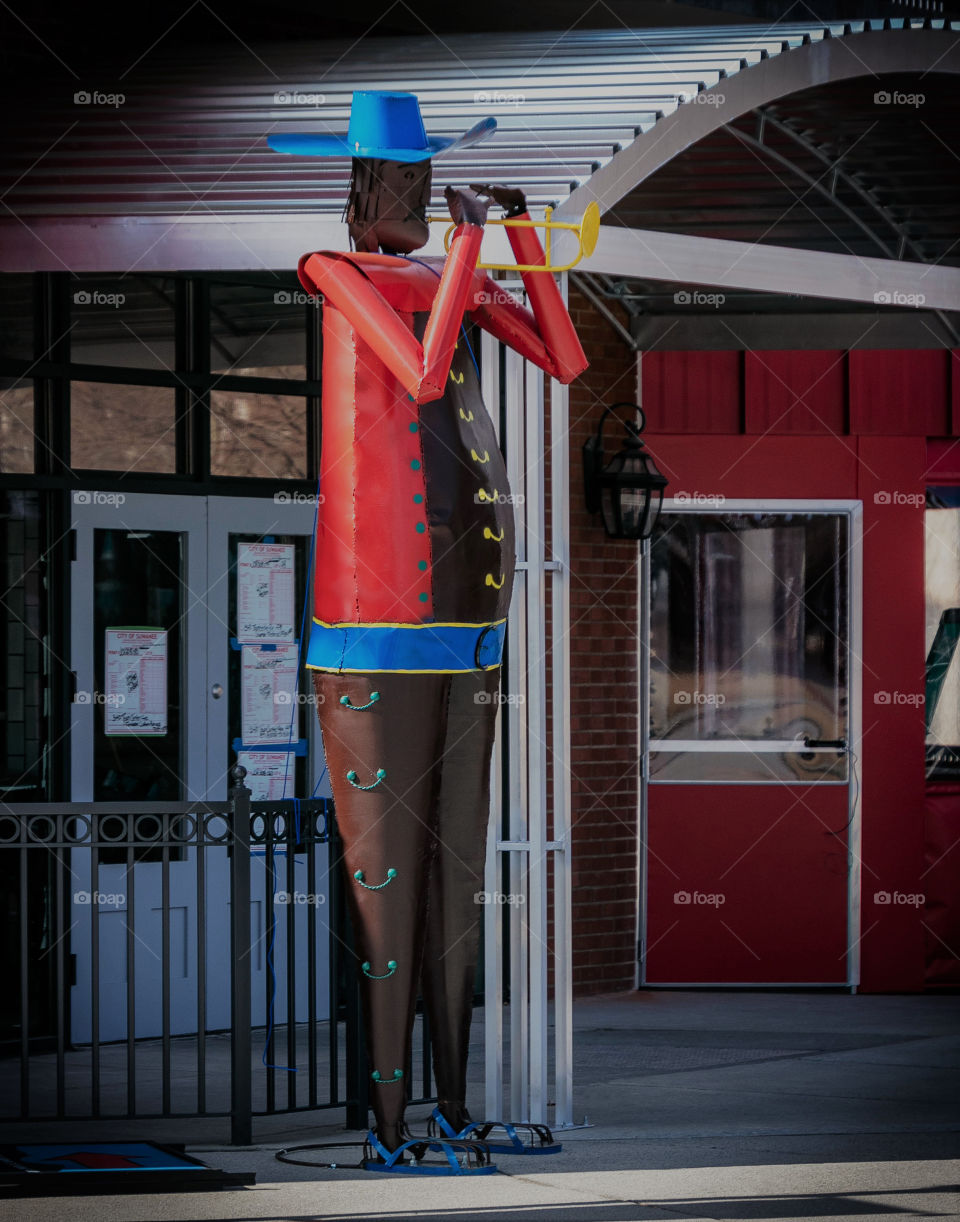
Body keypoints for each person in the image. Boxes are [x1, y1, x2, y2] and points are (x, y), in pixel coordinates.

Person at [270, 90, 587, 1169]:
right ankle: (390, 1124)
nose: (410, 196)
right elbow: (417, 365)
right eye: (400, 182)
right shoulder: (335, 273)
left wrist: (522, 233)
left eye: (424, 181)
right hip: (374, 623)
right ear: (365, 190)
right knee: (390, 882)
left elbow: (564, 356)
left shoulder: (443, 271)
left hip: (469, 622)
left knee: (456, 874)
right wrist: (463, 243)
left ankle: (452, 1110)